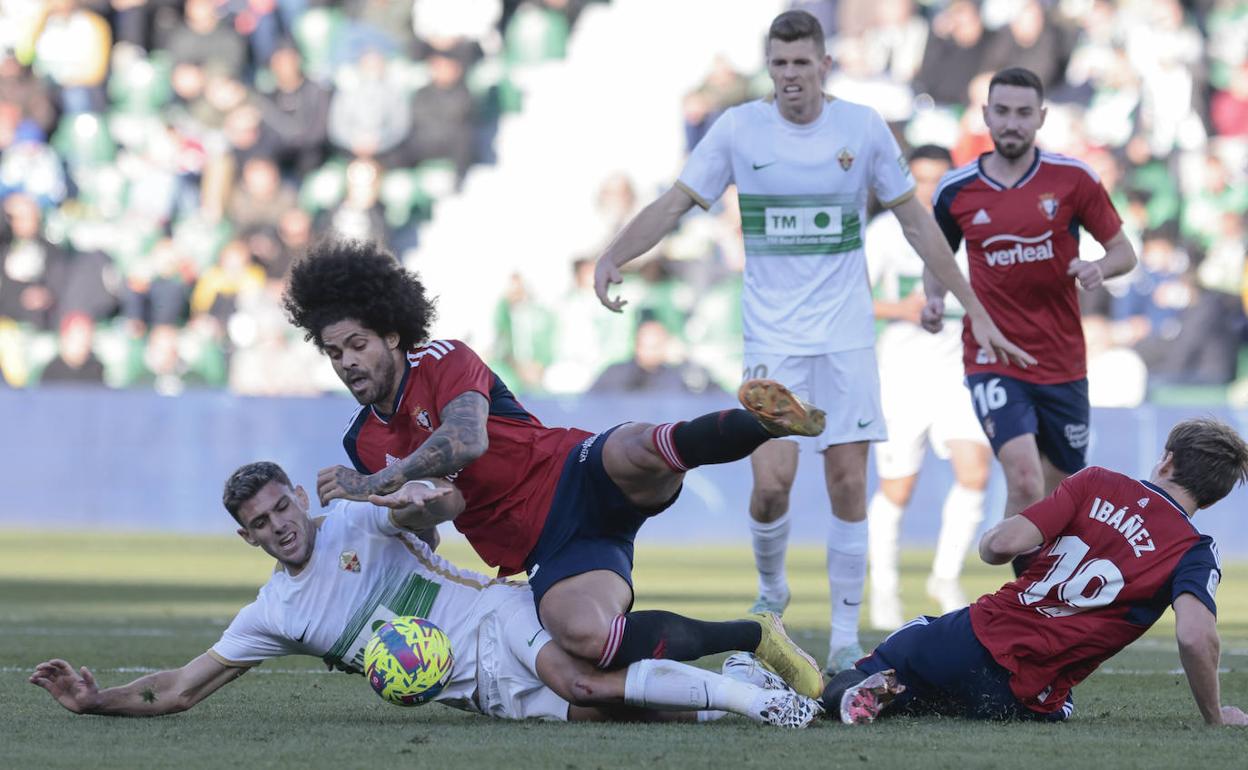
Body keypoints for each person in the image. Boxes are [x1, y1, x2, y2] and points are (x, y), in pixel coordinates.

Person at [591, 9, 1031, 674]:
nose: (791, 76)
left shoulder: (861, 129)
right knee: (772, 486)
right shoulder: (739, 129)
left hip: (847, 338)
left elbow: (916, 224)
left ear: (825, 65)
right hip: (774, 340)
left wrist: (974, 309)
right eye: (780, 64)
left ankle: (847, 633)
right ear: (769, 67)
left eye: (802, 63)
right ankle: (772, 597)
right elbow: (676, 203)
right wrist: (614, 253)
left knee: (849, 481)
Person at [283, 240, 826, 699]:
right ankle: (754, 635)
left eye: (357, 345)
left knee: (641, 448)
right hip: (547, 547)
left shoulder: (445, 359)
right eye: (334, 353)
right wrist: (400, 511)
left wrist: (379, 480)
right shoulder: (362, 439)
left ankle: (770, 423)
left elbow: (467, 440)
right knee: (590, 639)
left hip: (571, 470)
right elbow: (428, 528)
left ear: (393, 336)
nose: (347, 361)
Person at [29, 462, 823, 727]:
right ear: (247, 539)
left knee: (583, 676)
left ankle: (762, 694)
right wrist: (94, 701)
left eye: (281, 507)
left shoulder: (355, 517)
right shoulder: (273, 615)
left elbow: (444, 502)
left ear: (298, 501)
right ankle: (737, 690)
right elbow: (177, 688)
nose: (279, 525)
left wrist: (399, 495)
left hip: (492, 614)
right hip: (473, 691)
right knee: (612, 709)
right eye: (260, 523)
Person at [822, 418, 1248, 727]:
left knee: (888, 664)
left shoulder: (1096, 481)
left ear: (1167, 462)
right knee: (1060, 705)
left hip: (968, 637)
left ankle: (842, 691)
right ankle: (903, 694)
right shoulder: (1195, 551)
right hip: (1022, 690)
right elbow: (1195, 636)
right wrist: (1215, 716)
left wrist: (989, 540)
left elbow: (1000, 546)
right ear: (1209, 500)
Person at [924, 67, 1138, 577]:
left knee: (1060, 490)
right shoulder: (956, 190)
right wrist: (933, 300)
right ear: (986, 116)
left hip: (1063, 360)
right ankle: (1016, 606)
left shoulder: (1073, 179)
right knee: (1023, 479)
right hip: (992, 356)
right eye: (1003, 112)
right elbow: (938, 259)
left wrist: (1098, 267)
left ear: (1041, 117)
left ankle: (1039, 593)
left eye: (1024, 113)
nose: (1012, 123)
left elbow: (1123, 252)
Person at [864, 145, 991, 628]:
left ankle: (945, 575)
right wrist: (903, 310)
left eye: (938, 180)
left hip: (961, 367)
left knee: (974, 470)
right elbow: (853, 297)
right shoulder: (883, 233)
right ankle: (885, 586)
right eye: (919, 179)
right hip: (902, 372)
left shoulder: (971, 230)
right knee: (898, 486)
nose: (928, 189)